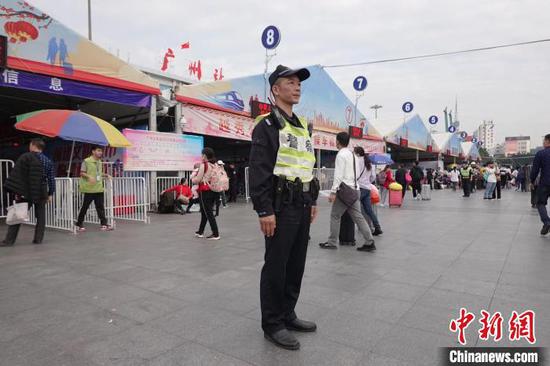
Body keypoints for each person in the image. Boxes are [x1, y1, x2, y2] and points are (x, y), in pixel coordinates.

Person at [249, 65, 319, 351]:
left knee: (296, 264)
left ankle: (288, 313)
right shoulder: (266, 125)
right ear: (275, 90)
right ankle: (273, 323)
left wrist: (312, 199)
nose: (297, 86)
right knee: (276, 265)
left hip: (301, 204)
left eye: (298, 83)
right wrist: (264, 210)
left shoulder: (301, 126)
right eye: (290, 82)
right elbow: (259, 170)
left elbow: (307, 166)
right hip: (280, 206)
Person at [319, 132, 376, 252]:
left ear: (338, 141)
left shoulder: (341, 155)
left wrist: (333, 192)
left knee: (335, 215)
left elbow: (338, 175)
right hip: (355, 190)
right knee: (358, 217)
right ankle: (369, 241)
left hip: (345, 191)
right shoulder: (353, 155)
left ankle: (332, 242)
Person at [1, 139, 54, 246]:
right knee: (41, 216)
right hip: (42, 190)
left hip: (27, 190)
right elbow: (51, 179)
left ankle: (9, 241)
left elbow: (18, 175)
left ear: (33, 145)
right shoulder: (48, 161)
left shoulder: (25, 157)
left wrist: (17, 191)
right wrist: (50, 193)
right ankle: (38, 239)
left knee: (18, 215)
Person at [76, 146, 113, 232]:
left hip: (99, 187)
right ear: (93, 151)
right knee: (85, 207)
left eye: (101, 151)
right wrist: (89, 177)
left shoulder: (99, 162)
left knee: (100, 207)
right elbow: (82, 173)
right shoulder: (86, 161)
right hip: (89, 188)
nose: (100, 152)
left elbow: (98, 173)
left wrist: (106, 175)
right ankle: (79, 223)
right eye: (98, 151)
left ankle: (104, 224)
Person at [192, 147, 220, 240]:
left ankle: (216, 234)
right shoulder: (214, 164)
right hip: (213, 190)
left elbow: (198, 179)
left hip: (205, 192)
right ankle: (200, 232)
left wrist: (193, 179)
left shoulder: (204, 165)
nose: (201, 156)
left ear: (204, 155)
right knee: (205, 212)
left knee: (208, 213)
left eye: (202, 154)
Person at [354, 146, 383, 235]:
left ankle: (364, 229)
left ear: (358, 153)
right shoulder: (369, 163)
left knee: (355, 210)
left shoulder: (357, 161)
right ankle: (377, 228)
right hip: (367, 189)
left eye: (354, 153)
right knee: (369, 211)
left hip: (359, 188)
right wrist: (367, 182)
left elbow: (354, 175)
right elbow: (373, 177)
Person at [530, 133, 550, 235]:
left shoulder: (541, 154)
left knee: (540, 203)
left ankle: (547, 222)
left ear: (547, 141)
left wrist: (532, 181)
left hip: (545, 183)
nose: (543, 143)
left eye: (544, 141)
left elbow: (535, 170)